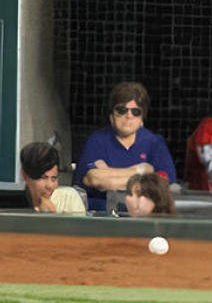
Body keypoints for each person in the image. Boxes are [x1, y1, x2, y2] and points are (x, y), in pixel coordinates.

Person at [73, 82, 176, 212]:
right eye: (122, 110)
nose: (129, 116)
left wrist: (108, 173)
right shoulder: (97, 140)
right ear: (111, 117)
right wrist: (142, 171)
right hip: (101, 213)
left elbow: (163, 181)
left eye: (135, 111)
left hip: (144, 214)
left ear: (142, 120)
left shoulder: (154, 142)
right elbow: (93, 179)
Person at [19, 142, 86, 214]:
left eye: (54, 178)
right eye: (43, 178)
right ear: (24, 175)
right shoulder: (12, 204)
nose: (49, 186)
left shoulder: (68, 198)